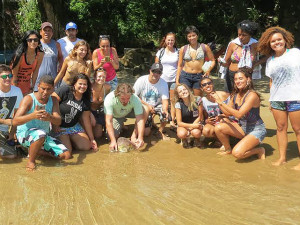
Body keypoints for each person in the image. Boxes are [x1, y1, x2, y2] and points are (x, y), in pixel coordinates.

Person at [257, 26, 300, 169]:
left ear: (285, 39)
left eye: (279, 39)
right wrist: (271, 100)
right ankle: (282, 158)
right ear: (269, 44)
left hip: (296, 97)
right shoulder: (270, 61)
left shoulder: (295, 53)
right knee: (280, 128)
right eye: (273, 41)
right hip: (277, 100)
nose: (276, 43)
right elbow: (271, 81)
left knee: (298, 129)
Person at [13, 75, 71, 171]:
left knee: (66, 155)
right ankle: (31, 161)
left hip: (43, 136)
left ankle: (38, 151)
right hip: (24, 134)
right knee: (40, 134)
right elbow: (15, 121)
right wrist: (33, 115)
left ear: (53, 89)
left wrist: (50, 117)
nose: (45, 92)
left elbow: (58, 120)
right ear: (38, 86)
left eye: (49, 89)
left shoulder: (53, 100)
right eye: (43, 88)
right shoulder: (29, 99)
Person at [212, 67, 266, 160]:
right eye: (236, 79)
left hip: (256, 129)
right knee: (218, 127)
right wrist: (218, 100)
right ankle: (228, 149)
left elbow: (239, 115)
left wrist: (221, 102)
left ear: (248, 79)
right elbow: (227, 113)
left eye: (241, 78)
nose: (238, 81)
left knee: (237, 153)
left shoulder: (252, 95)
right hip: (242, 127)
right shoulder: (235, 95)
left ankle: (259, 150)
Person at [52, 73, 97, 153]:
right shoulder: (65, 90)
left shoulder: (85, 100)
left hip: (73, 126)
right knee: (67, 152)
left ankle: (70, 141)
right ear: (74, 84)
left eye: (85, 84)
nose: (82, 86)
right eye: (80, 84)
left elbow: (86, 120)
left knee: (86, 147)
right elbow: (52, 101)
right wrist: (54, 123)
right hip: (59, 126)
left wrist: (92, 139)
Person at [219, 20, 261, 93]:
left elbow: (268, 56)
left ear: (250, 35)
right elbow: (226, 62)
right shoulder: (233, 44)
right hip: (232, 76)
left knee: (245, 97)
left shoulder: (255, 45)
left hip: (246, 77)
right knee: (230, 97)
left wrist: (255, 64)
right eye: (239, 34)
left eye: (244, 35)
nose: (241, 37)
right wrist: (221, 62)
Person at [133, 63, 170, 140]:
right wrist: (147, 105)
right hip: (144, 105)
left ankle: (160, 131)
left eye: (158, 72)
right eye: (154, 71)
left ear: (161, 74)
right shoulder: (141, 80)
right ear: (150, 71)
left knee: (166, 115)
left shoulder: (163, 83)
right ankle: (147, 123)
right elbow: (134, 96)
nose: (156, 74)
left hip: (157, 105)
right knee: (146, 133)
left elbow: (165, 100)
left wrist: (165, 110)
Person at [104, 83, 145, 152]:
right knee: (110, 136)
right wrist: (113, 141)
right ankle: (121, 125)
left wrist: (140, 137)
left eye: (128, 98)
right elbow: (109, 121)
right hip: (116, 116)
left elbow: (140, 119)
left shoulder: (135, 98)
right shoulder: (109, 99)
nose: (126, 101)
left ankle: (133, 135)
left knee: (145, 109)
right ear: (117, 95)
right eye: (122, 98)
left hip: (130, 112)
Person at [176, 25, 215, 96]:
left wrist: (209, 70)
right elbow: (179, 65)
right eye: (189, 36)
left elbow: (213, 60)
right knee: (185, 97)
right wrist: (177, 79)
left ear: (197, 36)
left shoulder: (205, 47)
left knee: (198, 98)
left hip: (199, 76)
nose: (192, 38)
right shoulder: (183, 49)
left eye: (193, 35)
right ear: (187, 38)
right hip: (185, 76)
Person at [155, 32, 179, 130]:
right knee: (161, 100)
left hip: (174, 80)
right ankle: (160, 120)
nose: (170, 42)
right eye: (168, 40)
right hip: (162, 80)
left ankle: (172, 120)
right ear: (165, 40)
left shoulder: (178, 51)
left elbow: (181, 65)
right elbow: (156, 65)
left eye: (172, 40)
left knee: (173, 101)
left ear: (174, 41)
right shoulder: (160, 52)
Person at [11, 30, 44, 95]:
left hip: (27, 87)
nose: (33, 42)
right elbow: (14, 75)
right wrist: (15, 91)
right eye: (30, 40)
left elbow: (35, 72)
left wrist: (32, 87)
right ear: (26, 41)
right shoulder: (19, 55)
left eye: (35, 40)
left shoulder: (40, 55)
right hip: (14, 86)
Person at [0, 65, 23, 159]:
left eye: (10, 76)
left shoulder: (17, 91)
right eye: (4, 76)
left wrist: (12, 132)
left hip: (5, 129)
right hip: (5, 124)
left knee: (12, 156)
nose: (7, 79)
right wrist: (5, 121)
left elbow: (18, 114)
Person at [34, 22, 63, 91]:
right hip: (38, 78)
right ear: (41, 32)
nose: (47, 32)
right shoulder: (36, 44)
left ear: (52, 33)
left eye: (49, 30)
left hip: (52, 78)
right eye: (45, 30)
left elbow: (60, 57)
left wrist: (60, 66)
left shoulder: (56, 44)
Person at [200, 78, 229, 146]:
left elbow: (232, 111)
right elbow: (205, 117)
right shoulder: (203, 100)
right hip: (214, 122)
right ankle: (219, 139)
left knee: (222, 121)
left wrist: (222, 116)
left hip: (226, 120)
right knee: (206, 131)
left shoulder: (223, 95)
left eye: (209, 83)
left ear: (212, 84)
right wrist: (207, 121)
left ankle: (226, 142)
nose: (207, 86)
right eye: (204, 85)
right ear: (201, 88)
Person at [174, 83, 203, 148]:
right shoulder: (178, 104)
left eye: (184, 89)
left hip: (196, 122)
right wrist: (190, 126)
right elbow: (179, 122)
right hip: (184, 124)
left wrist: (192, 127)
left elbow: (200, 116)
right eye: (180, 91)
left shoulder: (198, 100)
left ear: (188, 90)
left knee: (196, 133)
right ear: (179, 96)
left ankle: (197, 139)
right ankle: (184, 139)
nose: (183, 92)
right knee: (181, 134)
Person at [91, 68, 111, 139]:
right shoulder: (89, 87)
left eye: (103, 77)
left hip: (100, 111)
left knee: (98, 135)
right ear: (94, 77)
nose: (101, 79)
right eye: (99, 76)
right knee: (96, 135)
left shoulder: (107, 87)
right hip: (89, 112)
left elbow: (109, 101)